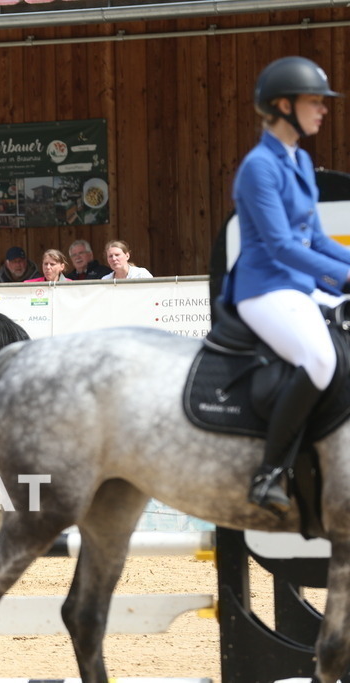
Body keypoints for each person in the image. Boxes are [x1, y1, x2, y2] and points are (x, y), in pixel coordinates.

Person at [224, 56, 350, 517]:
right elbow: (280, 246)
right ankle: (269, 472)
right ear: (282, 105)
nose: (323, 110)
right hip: (265, 288)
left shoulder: (299, 159)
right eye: (314, 101)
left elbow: (315, 238)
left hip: (299, 283)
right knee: (320, 359)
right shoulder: (259, 167)